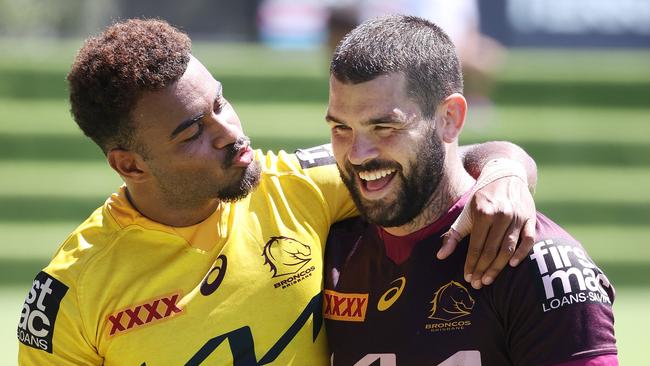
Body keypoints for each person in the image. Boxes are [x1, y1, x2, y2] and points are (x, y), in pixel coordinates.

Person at [17, 19, 538, 365]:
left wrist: (507, 172)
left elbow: (439, 156)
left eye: (220, 103)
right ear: (129, 165)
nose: (228, 132)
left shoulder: (299, 186)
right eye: (192, 132)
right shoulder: (71, 293)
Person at [323, 15, 617, 365]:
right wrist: (506, 162)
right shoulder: (328, 240)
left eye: (385, 126)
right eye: (341, 128)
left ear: (450, 118)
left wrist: (507, 166)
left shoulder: (535, 261)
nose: (358, 154)